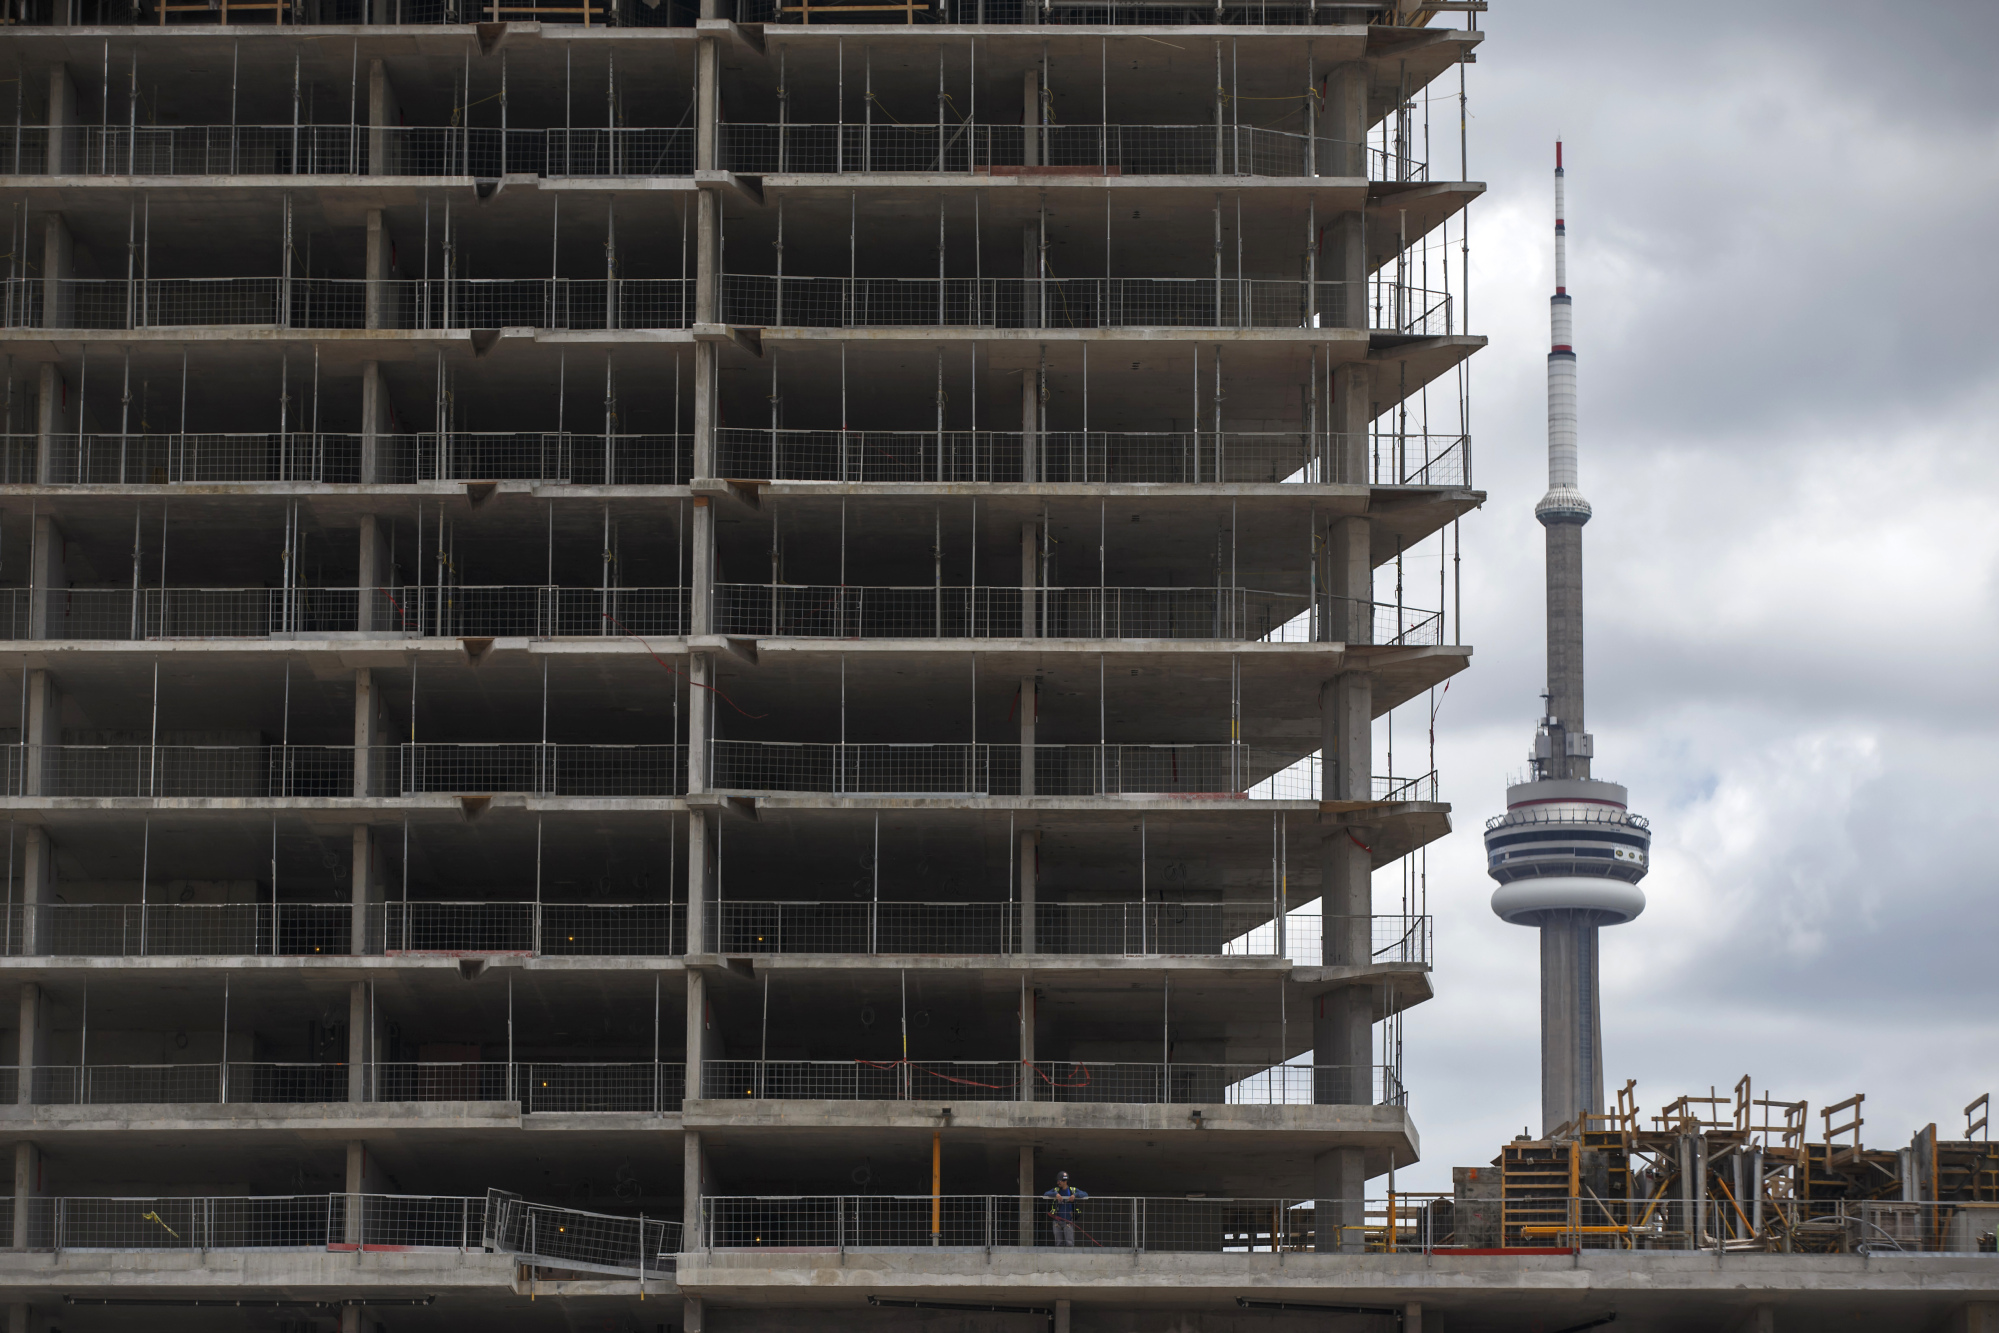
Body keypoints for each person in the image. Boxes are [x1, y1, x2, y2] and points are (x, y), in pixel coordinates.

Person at [1043, 1171, 1088, 1247]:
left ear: (1065, 1181)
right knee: (1059, 1244)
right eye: (1057, 1180)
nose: (1058, 1183)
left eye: (1059, 1181)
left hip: (1068, 1222)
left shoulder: (1072, 1190)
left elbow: (1085, 1194)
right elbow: (1045, 1194)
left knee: (1069, 1244)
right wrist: (1055, 1194)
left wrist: (1075, 1195)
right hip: (1057, 1222)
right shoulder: (1056, 1190)